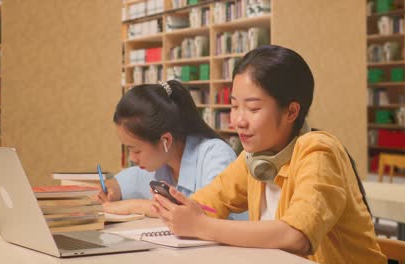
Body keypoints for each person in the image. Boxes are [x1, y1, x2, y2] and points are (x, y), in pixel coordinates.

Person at [151, 45, 387, 263]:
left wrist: (200, 226)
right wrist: (182, 211)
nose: (238, 121)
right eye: (234, 106)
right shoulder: (254, 158)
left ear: (291, 112)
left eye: (253, 108)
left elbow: (296, 236)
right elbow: (205, 205)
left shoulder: (318, 150)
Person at [96, 80, 237, 217]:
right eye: (128, 150)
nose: (132, 158)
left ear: (166, 140)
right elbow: (121, 183)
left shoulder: (216, 156)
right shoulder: (159, 163)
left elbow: (205, 213)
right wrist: (110, 188)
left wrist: (132, 206)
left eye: (136, 150)